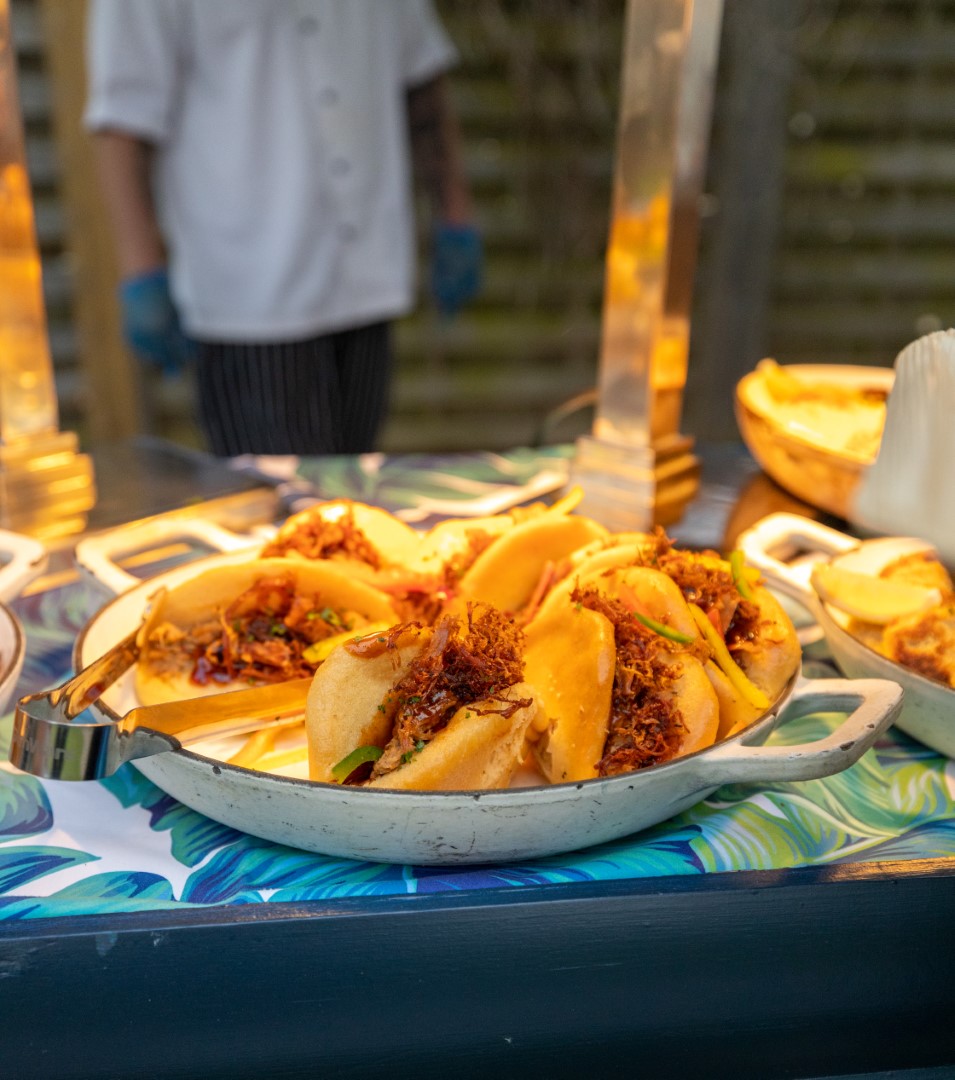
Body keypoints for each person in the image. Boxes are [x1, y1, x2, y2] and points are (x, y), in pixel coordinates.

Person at [84, 0, 481, 457]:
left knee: (351, 488)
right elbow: (122, 117)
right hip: (251, 296)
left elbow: (421, 75)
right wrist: (141, 269)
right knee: (278, 506)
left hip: (367, 276)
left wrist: (455, 212)